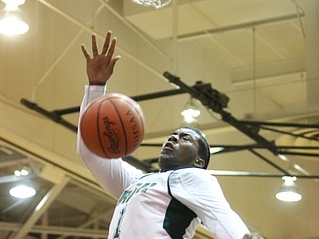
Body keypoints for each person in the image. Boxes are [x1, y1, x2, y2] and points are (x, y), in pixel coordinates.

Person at [77, 31, 260, 239]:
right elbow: (90, 152)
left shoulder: (194, 177)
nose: (173, 138)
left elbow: (220, 213)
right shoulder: (137, 182)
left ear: (199, 161)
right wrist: (95, 87)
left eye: (185, 138)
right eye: (173, 134)